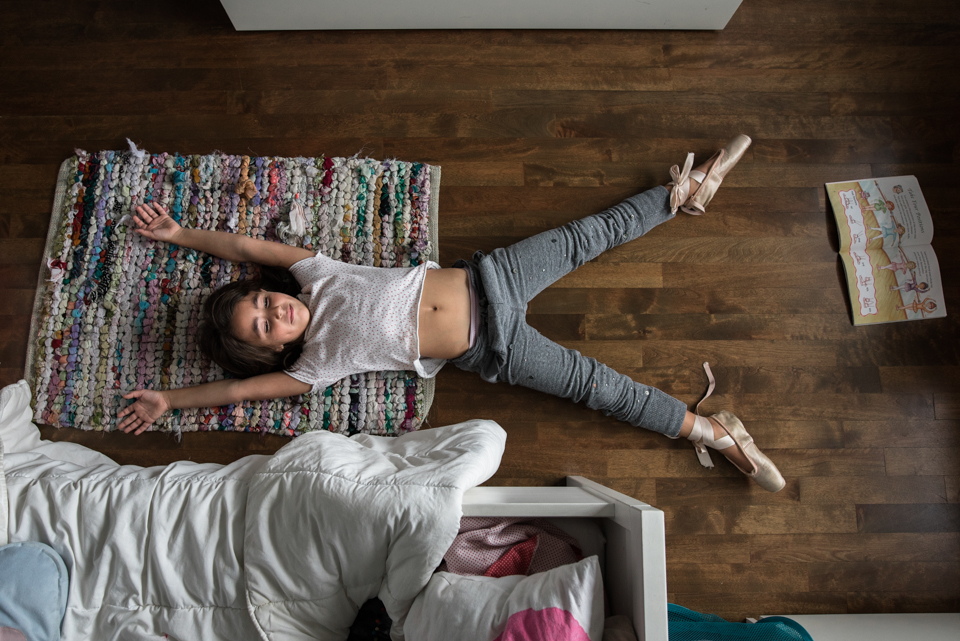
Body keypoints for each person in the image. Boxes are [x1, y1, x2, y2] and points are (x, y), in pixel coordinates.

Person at [117, 134, 785, 492]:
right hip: (492, 348)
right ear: (267, 348)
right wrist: (170, 402)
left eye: (263, 300)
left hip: (491, 275)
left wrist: (179, 235)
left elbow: (240, 244)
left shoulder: (315, 272)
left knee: (589, 234)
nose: (274, 312)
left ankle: (681, 195)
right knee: (595, 388)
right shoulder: (315, 365)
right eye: (262, 327)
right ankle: (709, 430)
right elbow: (237, 390)